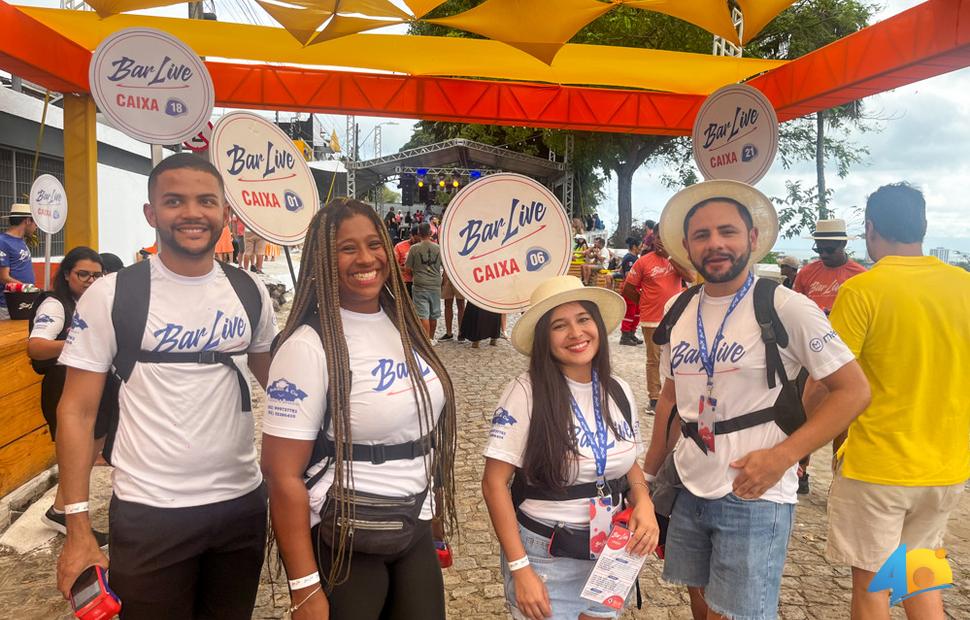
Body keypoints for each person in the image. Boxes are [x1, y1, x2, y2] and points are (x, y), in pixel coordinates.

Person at [55, 153, 278, 618]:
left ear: (224, 214)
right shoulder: (111, 294)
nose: (192, 213)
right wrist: (78, 527)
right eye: (174, 201)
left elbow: (282, 388)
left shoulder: (250, 291)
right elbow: (76, 412)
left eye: (206, 201)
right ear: (151, 213)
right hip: (149, 511)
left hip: (240, 505)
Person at [642, 180, 870, 620]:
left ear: (752, 238)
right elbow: (671, 397)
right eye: (702, 235)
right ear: (687, 247)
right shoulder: (680, 308)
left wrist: (785, 456)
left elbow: (854, 390)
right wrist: (650, 477)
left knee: (740, 614)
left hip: (753, 491)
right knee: (701, 604)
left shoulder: (785, 306)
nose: (715, 244)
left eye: (727, 231)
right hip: (688, 483)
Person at [261, 198, 458, 620]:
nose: (365, 258)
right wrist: (304, 587)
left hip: (414, 523)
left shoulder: (402, 323)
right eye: (346, 248)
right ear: (322, 259)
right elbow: (281, 474)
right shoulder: (307, 346)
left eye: (374, 244)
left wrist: (434, 511)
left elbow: (421, 431)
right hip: (345, 535)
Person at [810, 183, 970, 620]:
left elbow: (827, 379)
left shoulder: (864, 290)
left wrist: (795, 434)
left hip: (878, 466)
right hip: (945, 467)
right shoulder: (964, 286)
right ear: (922, 226)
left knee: (872, 584)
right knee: (919, 571)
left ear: (870, 228)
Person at [482, 275, 657, 620]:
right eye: (559, 326)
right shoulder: (525, 392)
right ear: (544, 339)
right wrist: (520, 569)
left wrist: (645, 502)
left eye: (583, 319)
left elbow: (628, 463)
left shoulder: (618, 390)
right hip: (546, 555)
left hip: (612, 550)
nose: (576, 333)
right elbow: (494, 484)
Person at [27, 247, 110, 546]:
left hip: (89, 384)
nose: (90, 280)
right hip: (64, 386)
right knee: (78, 454)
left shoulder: (87, 303)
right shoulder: (55, 304)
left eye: (96, 275)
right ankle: (70, 518)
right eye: (82, 274)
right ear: (66, 275)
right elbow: (36, 346)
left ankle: (61, 510)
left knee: (86, 454)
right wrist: (77, 343)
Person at [622, 226, 693, 411]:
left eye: (666, 237)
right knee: (653, 359)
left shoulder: (677, 260)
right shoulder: (643, 262)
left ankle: (678, 397)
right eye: (658, 237)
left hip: (676, 318)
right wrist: (644, 302)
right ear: (653, 239)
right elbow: (628, 288)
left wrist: (670, 256)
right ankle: (654, 398)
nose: (661, 241)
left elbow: (691, 277)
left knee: (678, 357)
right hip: (651, 318)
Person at [794, 219, 866, 314]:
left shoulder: (860, 275)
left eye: (829, 250)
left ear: (843, 244)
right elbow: (795, 306)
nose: (824, 255)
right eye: (819, 250)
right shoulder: (806, 272)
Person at [406, 222, 443, 341]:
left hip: (420, 285)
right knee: (433, 314)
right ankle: (431, 339)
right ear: (430, 233)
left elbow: (408, 268)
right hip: (435, 285)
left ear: (418, 233)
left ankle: (425, 340)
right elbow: (445, 266)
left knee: (423, 315)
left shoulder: (414, 249)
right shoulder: (438, 249)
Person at [1, 202, 38, 320]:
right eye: (35, 222)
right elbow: (3, 277)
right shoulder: (3, 242)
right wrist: (29, 289)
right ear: (27, 221)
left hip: (23, 302)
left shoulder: (21, 241)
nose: (36, 226)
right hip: (8, 305)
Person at [614, 237, 643, 346]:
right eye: (640, 246)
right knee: (630, 312)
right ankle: (625, 336)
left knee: (636, 313)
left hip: (636, 289)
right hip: (630, 288)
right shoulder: (630, 258)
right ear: (634, 247)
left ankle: (631, 333)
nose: (641, 248)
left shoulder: (634, 257)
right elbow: (628, 275)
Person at [440, 268, 465, 342]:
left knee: (461, 305)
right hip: (447, 275)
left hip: (460, 276)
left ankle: (461, 332)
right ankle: (449, 333)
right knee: (447, 304)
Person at [394, 227, 419, 297]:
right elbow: (393, 264)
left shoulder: (423, 247)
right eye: (417, 238)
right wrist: (405, 268)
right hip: (405, 282)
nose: (419, 241)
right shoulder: (399, 247)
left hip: (420, 283)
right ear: (411, 235)